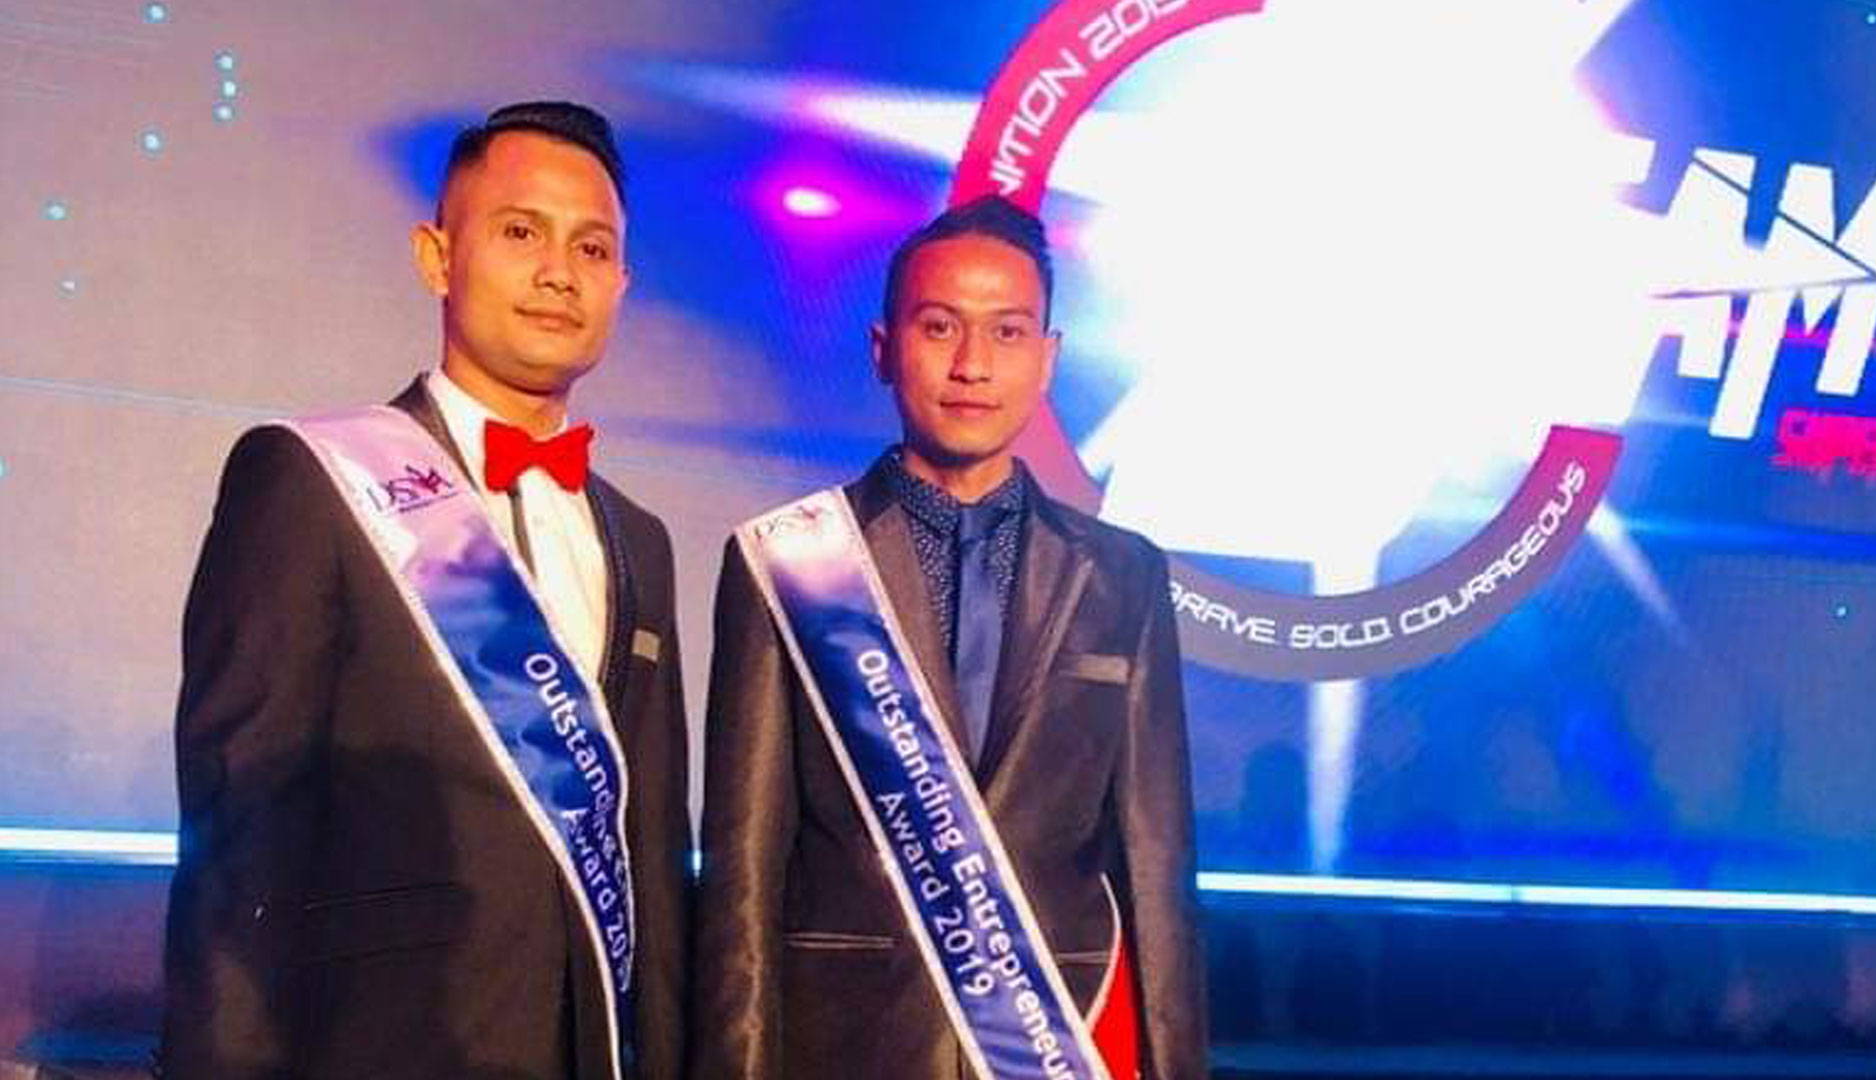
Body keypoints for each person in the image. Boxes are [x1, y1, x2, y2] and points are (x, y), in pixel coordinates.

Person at [160, 101, 689, 1080]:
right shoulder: (311, 480)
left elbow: (649, 857)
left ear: (621, 284)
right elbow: (241, 843)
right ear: (436, 257)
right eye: (521, 233)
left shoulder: (641, 541)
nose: (558, 272)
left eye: (592, 247)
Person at [693, 195, 1207, 1079]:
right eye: (940, 327)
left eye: (1007, 333)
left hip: (1059, 1037)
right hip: (846, 1047)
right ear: (883, 348)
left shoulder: (1123, 576)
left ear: (1047, 359)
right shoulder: (787, 560)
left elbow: (1156, 868)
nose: (972, 365)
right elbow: (743, 872)